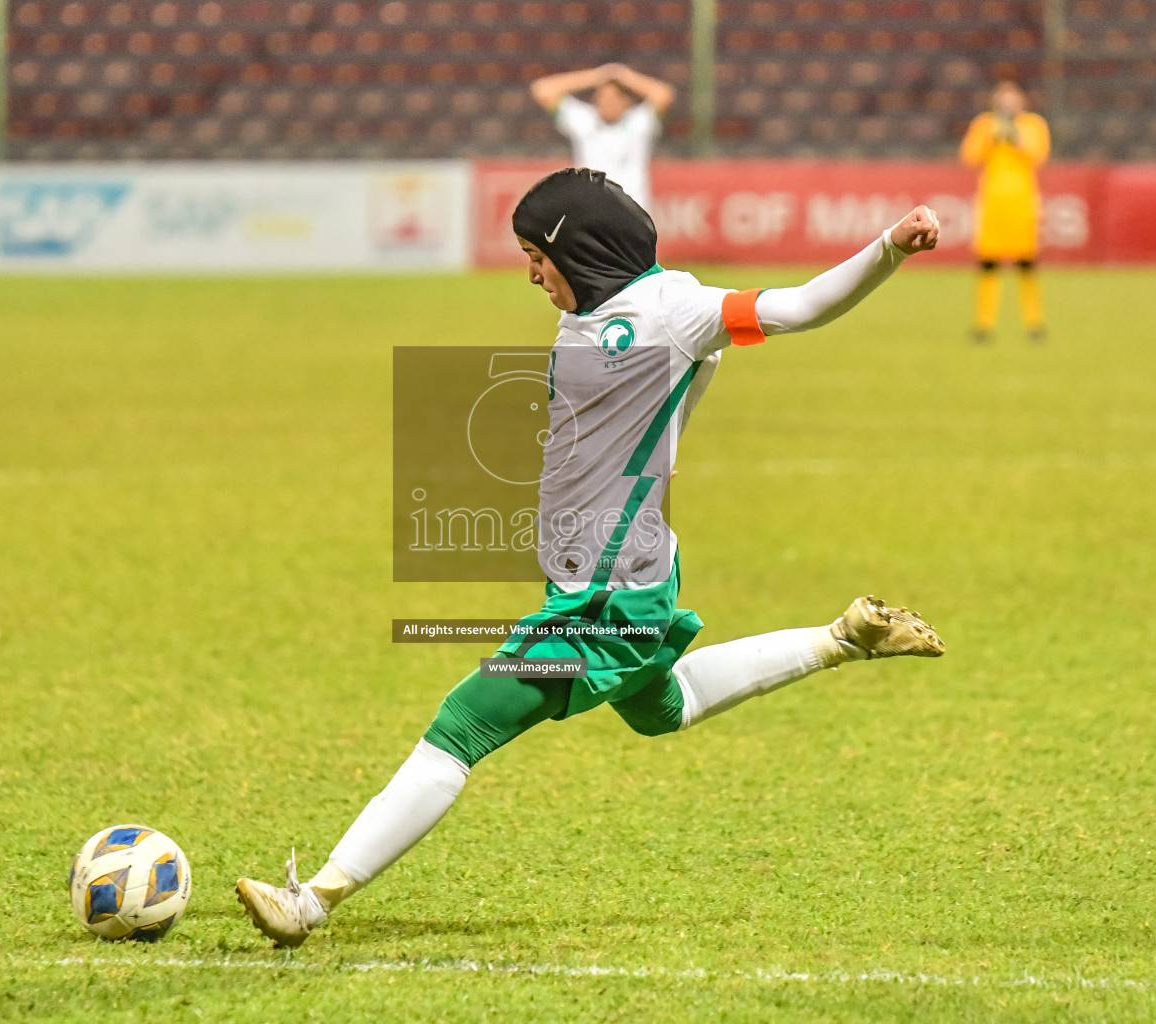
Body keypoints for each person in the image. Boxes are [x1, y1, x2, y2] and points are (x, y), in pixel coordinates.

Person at [236, 169, 946, 949]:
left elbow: (799, 305)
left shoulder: (676, 310)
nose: (530, 271)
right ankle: (843, 638)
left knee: (462, 725)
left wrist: (889, 246)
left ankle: (314, 900)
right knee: (662, 707)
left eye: (537, 254)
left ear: (578, 246)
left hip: (608, 595)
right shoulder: (590, 311)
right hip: (612, 575)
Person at [960, 79, 1051, 343]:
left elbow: (1039, 155)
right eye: (1004, 98)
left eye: (1013, 98)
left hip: (1022, 203)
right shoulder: (985, 125)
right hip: (993, 203)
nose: (1008, 103)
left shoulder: (1033, 125)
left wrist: (1017, 138)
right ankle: (984, 324)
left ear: (1021, 101)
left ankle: (1034, 323)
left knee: (1027, 263)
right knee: (988, 263)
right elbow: (969, 157)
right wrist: (990, 137)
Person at [529, 63, 675, 211]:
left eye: (614, 97)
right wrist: (594, 77)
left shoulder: (639, 122)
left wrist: (625, 76)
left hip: (632, 214)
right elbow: (543, 89)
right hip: (591, 213)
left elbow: (664, 94)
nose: (607, 102)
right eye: (602, 96)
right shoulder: (584, 120)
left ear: (626, 101)